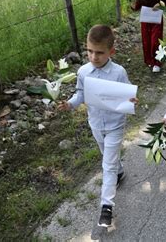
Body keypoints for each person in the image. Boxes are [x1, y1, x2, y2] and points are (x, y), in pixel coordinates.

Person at [58, 25, 138, 227]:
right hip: (95, 124)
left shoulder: (119, 72)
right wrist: (70, 104)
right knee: (107, 157)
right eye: (90, 51)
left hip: (115, 125)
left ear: (111, 51)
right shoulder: (84, 72)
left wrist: (131, 99)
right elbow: (80, 94)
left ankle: (106, 207)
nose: (94, 56)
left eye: (99, 52)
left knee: (107, 165)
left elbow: (127, 94)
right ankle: (120, 172)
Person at [133, 0, 166, 73]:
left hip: (156, 18)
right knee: (147, 40)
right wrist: (134, 6)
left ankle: (157, 62)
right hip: (146, 18)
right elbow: (138, 2)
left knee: (155, 40)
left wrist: (159, 4)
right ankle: (149, 60)